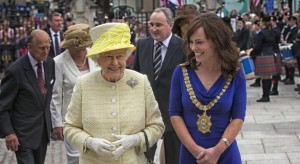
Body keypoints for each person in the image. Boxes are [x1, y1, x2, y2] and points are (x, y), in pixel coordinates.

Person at [63, 22, 165, 163]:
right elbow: (70, 127)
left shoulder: (140, 82)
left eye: (119, 56)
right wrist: (89, 142)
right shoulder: (83, 84)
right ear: (98, 59)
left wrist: (137, 139)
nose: (115, 63)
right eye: (108, 57)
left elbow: (157, 125)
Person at [169, 13, 246, 164]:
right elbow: (175, 114)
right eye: (191, 42)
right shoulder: (180, 72)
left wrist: (217, 151)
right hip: (190, 155)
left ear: (216, 42)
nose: (193, 48)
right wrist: (195, 150)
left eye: (199, 42)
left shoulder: (235, 74)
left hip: (225, 155)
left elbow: (238, 118)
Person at [132, 7, 186, 164]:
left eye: (158, 25)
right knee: (143, 158)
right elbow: (135, 76)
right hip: (146, 115)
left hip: (174, 114)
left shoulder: (182, 47)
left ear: (170, 24)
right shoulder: (142, 45)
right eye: (151, 25)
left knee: (173, 159)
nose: (154, 29)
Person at [0, 29, 55, 164]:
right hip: (22, 134)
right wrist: (9, 133)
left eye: (48, 47)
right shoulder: (15, 71)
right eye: (42, 48)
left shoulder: (49, 64)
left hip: (42, 132)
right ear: (29, 47)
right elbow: (2, 106)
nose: (46, 51)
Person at [50, 24, 99, 164]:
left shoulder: (94, 56)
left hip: (96, 116)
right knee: (75, 158)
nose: (81, 51)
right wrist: (57, 123)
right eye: (76, 48)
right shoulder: (58, 62)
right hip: (72, 120)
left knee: (95, 156)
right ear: (68, 47)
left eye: (83, 48)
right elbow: (55, 95)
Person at [250, 16, 278, 102]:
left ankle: (265, 96)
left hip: (263, 55)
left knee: (264, 76)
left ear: (263, 23)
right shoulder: (271, 31)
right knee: (268, 76)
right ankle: (266, 95)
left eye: (261, 22)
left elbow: (258, 46)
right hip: (270, 54)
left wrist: (252, 53)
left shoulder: (261, 33)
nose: (260, 24)